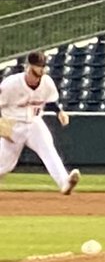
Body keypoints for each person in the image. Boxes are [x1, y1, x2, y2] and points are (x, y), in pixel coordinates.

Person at [0, 51, 81, 195]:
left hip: (34, 123)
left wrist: (59, 112)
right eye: (34, 72)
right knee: (5, 165)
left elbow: (50, 100)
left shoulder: (46, 82)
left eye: (40, 73)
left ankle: (65, 183)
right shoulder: (11, 84)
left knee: (49, 151)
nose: (37, 77)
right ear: (27, 67)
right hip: (12, 124)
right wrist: (2, 125)